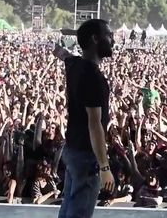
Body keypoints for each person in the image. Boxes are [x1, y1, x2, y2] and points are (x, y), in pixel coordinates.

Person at [54, 19, 115, 218]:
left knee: (68, 207)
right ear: (95, 39)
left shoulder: (75, 65)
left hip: (72, 149)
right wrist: (104, 166)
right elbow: (94, 125)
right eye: (109, 35)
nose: (113, 40)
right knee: (78, 212)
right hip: (86, 157)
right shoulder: (94, 79)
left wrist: (58, 47)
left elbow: (63, 54)